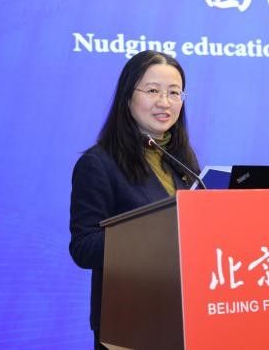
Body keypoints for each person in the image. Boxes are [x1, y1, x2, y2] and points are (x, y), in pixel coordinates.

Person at [69, 50, 200, 349]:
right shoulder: (98, 163)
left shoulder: (183, 162)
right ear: (128, 96)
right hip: (130, 322)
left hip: (185, 314)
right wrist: (152, 233)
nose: (164, 102)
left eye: (174, 93)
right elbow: (83, 248)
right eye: (153, 91)